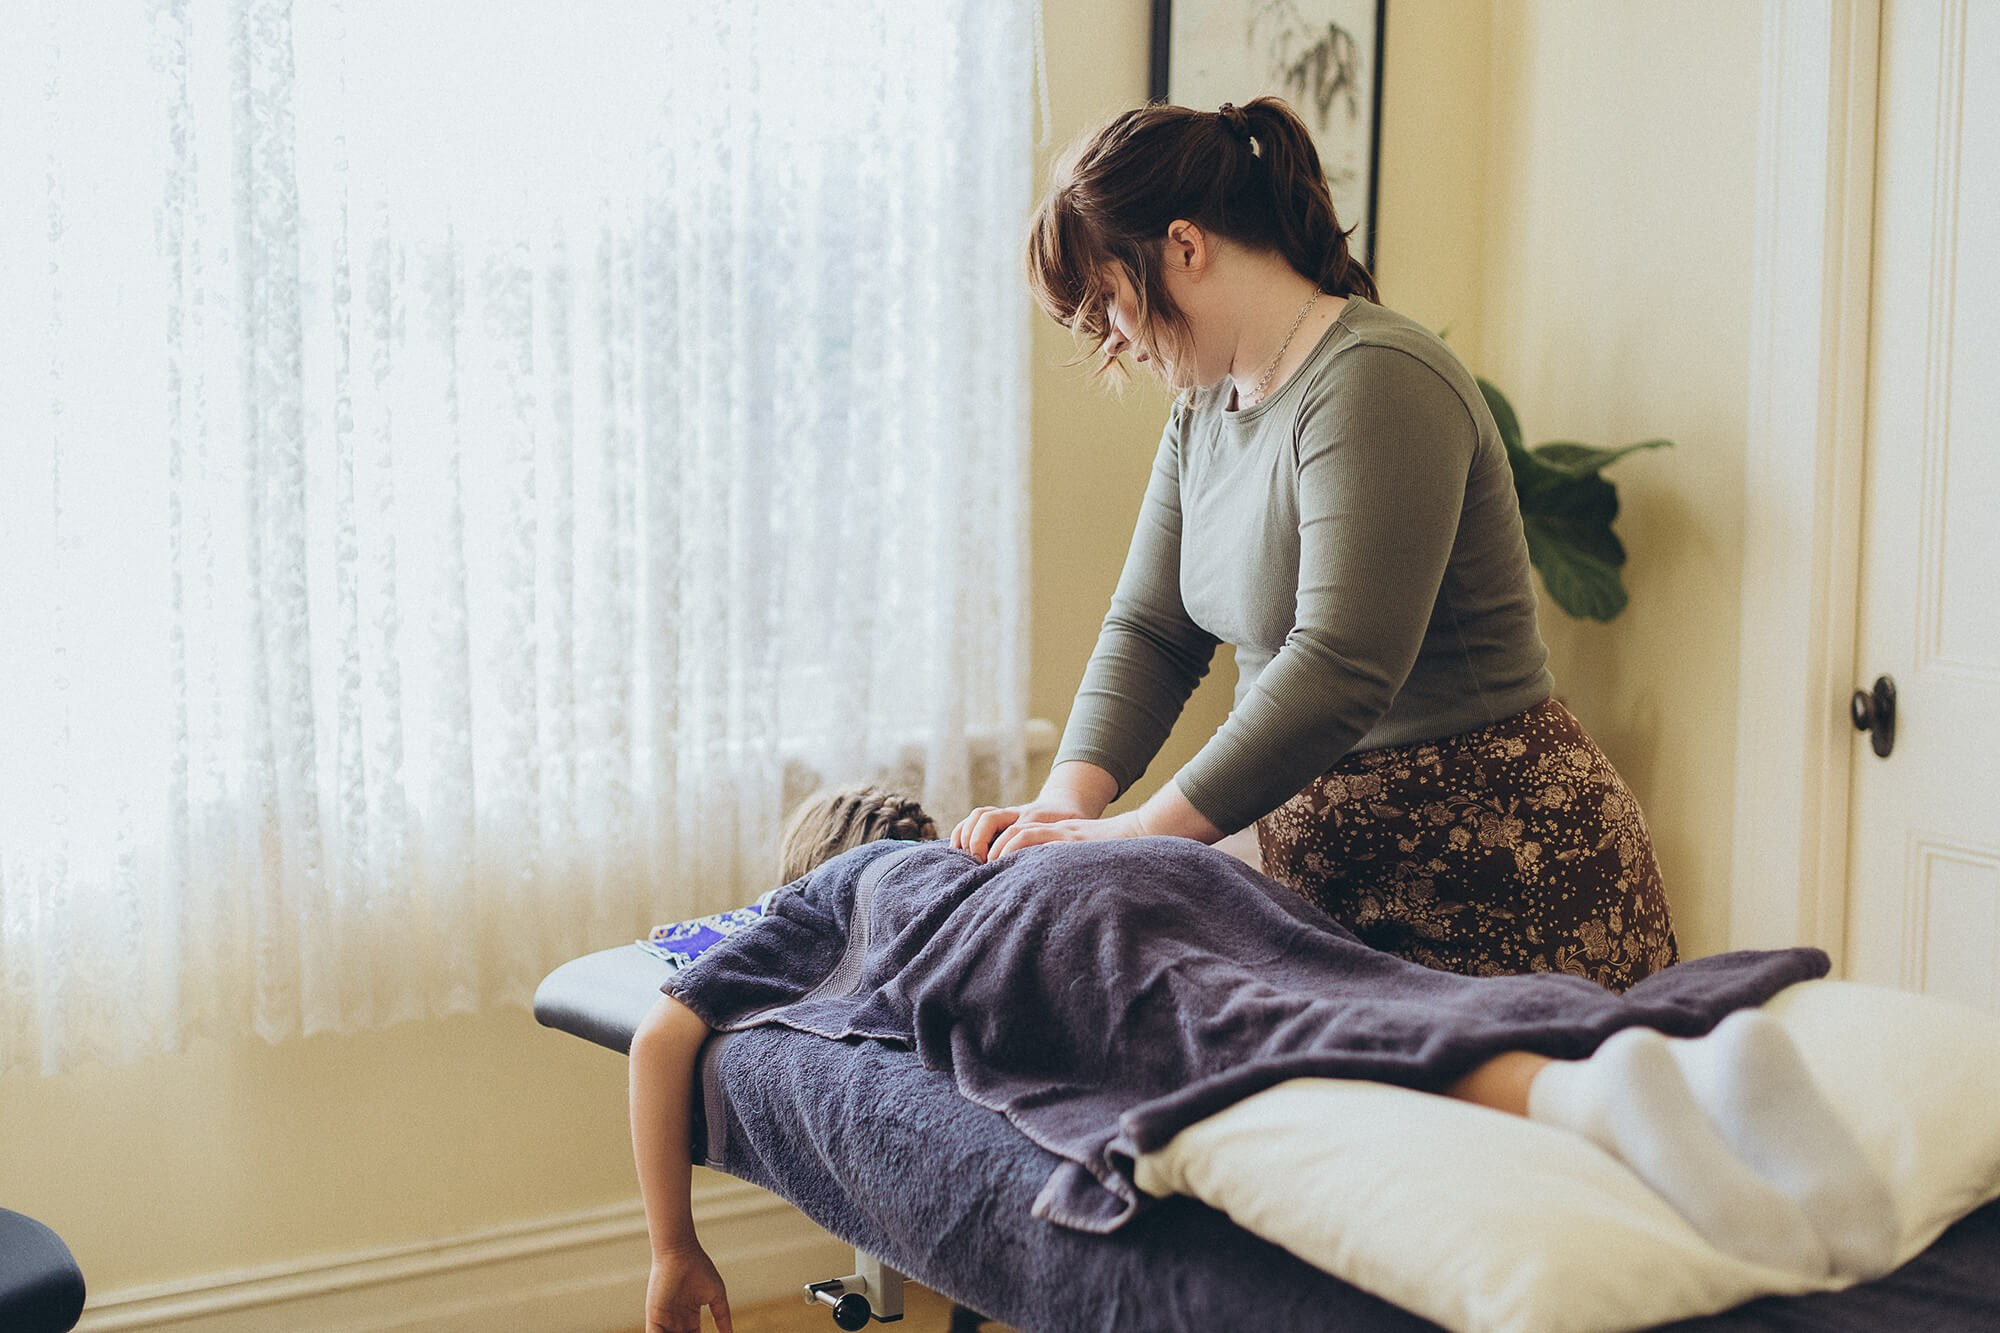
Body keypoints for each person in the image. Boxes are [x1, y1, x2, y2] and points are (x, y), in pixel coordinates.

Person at [631, 787, 1893, 1333]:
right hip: (1153, 864)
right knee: (1355, 990)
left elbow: (664, 1030)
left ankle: (1587, 1095)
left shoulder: (823, 898)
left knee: (1260, 1038)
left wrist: (672, 1246)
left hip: (1038, 930)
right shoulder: (976, 843)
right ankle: (1667, 1056)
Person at [952, 96, 1676, 990]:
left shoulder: (1377, 379)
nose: (1118, 337)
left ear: (1185, 246)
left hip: (1497, 873)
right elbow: (1153, 629)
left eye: (1111, 296)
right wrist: (1063, 807)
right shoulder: (1204, 410)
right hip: (1332, 873)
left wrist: (1136, 835)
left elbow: (1341, 663)